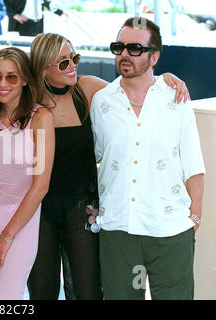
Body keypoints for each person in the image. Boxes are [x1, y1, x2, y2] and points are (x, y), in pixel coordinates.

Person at [27, 32, 191, 300]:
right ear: (42, 67)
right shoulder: (27, 102)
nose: (73, 66)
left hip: (80, 209)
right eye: (63, 63)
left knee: (87, 291)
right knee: (41, 290)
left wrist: (164, 80)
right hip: (38, 209)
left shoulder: (86, 89)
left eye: (74, 58)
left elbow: (134, 89)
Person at [90, 17, 205, 300]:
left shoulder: (176, 99)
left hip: (170, 232)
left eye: (134, 48)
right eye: (119, 47)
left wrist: (194, 219)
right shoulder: (101, 101)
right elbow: (95, 159)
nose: (124, 54)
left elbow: (193, 165)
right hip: (118, 230)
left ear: (154, 56)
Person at [0, 47, 55, 299]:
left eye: (11, 77)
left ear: (25, 79)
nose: (2, 84)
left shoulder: (41, 118)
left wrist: (7, 237)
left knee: (7, 295)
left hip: (22, 222)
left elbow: (41, 186)